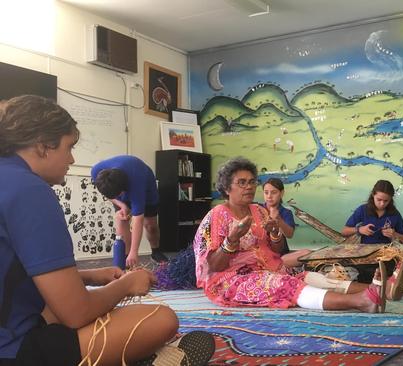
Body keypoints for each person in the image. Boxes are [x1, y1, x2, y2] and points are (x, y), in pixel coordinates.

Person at [0, 95, 213, 365]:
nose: (72, 158)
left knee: (56, 304)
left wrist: (88, 275)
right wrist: (125, 286)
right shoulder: (29, 191)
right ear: (43, 146)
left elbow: (13, 274)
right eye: (69, 147)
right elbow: (76, 313)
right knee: (160, 319)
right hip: (12, 350)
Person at [193, 157, 393, 313]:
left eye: (252, 182)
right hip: (232, 279)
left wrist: (274, 233)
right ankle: (361, 302)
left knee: (309, 276)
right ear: (227, 188)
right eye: (242, 182)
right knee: (285, 284)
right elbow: (213, 266)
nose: (249, 187)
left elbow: (276, 251)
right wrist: (232, 240)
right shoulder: (218, 215)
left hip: (269, 269)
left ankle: (379, 290)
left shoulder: (259, 211)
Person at [92, 155, 168, 267]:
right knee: (122, 219)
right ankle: (126, 259)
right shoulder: (96, 171)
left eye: (119, 195)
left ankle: (155, 252)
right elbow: (106, 193)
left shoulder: (137, 183)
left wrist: (135, 252)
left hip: (147, 191)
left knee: (150, 226)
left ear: (124, 189)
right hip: (121, 188)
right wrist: (121, 204)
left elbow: (138, 219)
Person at [259, 178, 310, 268]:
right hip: (260, 255)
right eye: (266, 192)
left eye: (273, 192)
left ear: (281, 193)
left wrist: (279, 219)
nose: (269, 196)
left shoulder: (286, 212)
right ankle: (267, 265)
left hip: (280, 256)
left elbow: (289, 234)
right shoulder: (257, 209)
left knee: (307, 253)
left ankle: (274, 265)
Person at [341, 180, 403, 245]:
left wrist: (395, 235)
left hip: (386, 251)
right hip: (365, 251)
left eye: (386, 201)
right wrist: (359, 230)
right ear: (373, 195)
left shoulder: (395, 214)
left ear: (391, 199)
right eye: (379, 199)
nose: (382, 204)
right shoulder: (363, 209)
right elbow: (344, 232)